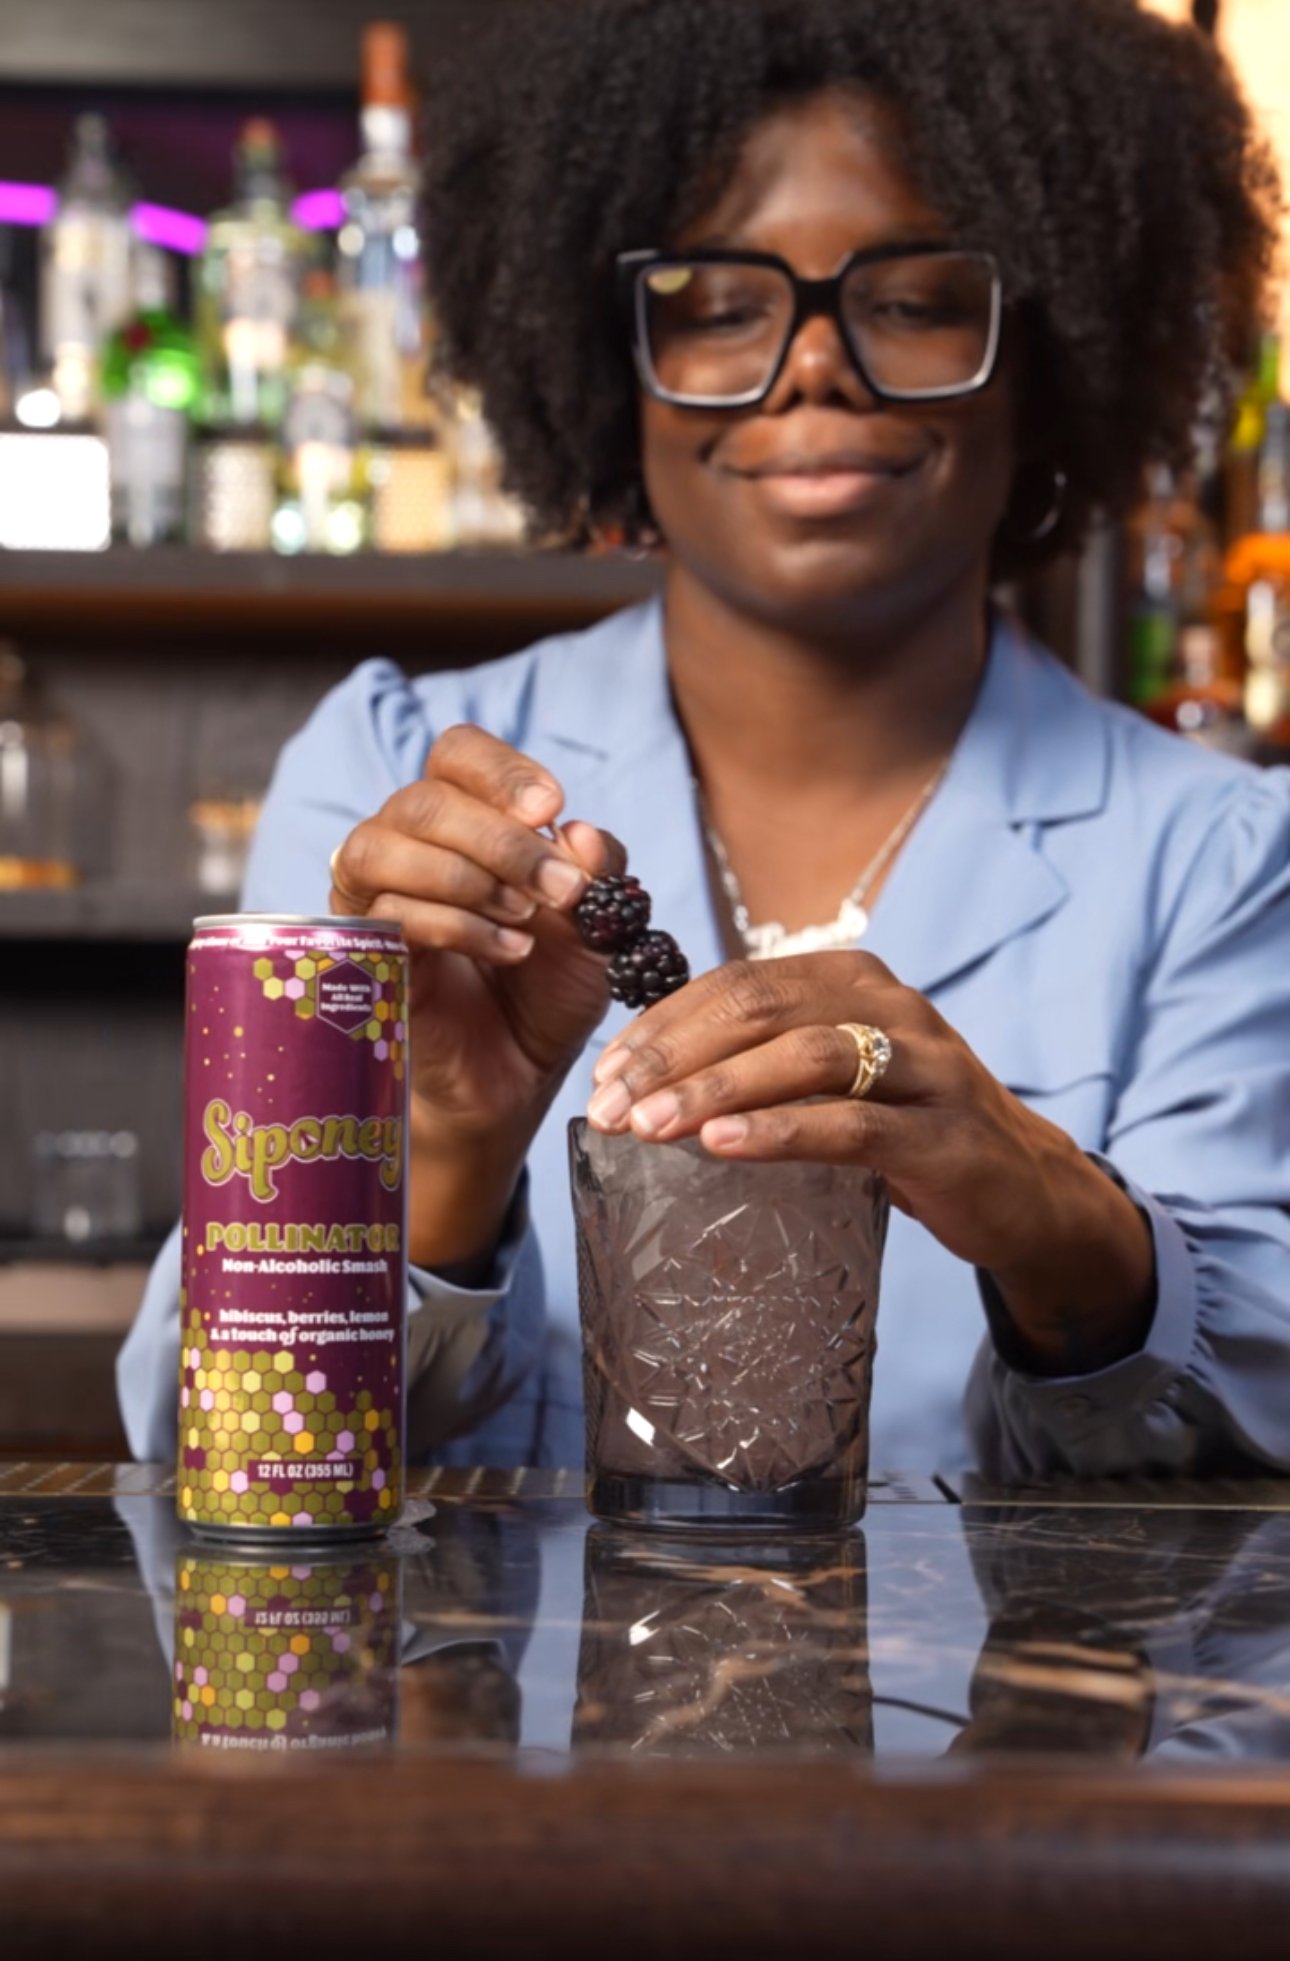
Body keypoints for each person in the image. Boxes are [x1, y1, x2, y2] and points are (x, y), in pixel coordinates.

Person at [120, 0, 1290, 1480]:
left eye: (915, 297)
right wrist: (445, 1152)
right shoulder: (392, 781)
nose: (813, 368)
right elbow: (194, 1441)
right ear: (607, 369)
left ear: (1049, 355)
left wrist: (1054, 1219)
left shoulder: (1222, 859)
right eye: (722, 305)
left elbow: (1253, 1480)